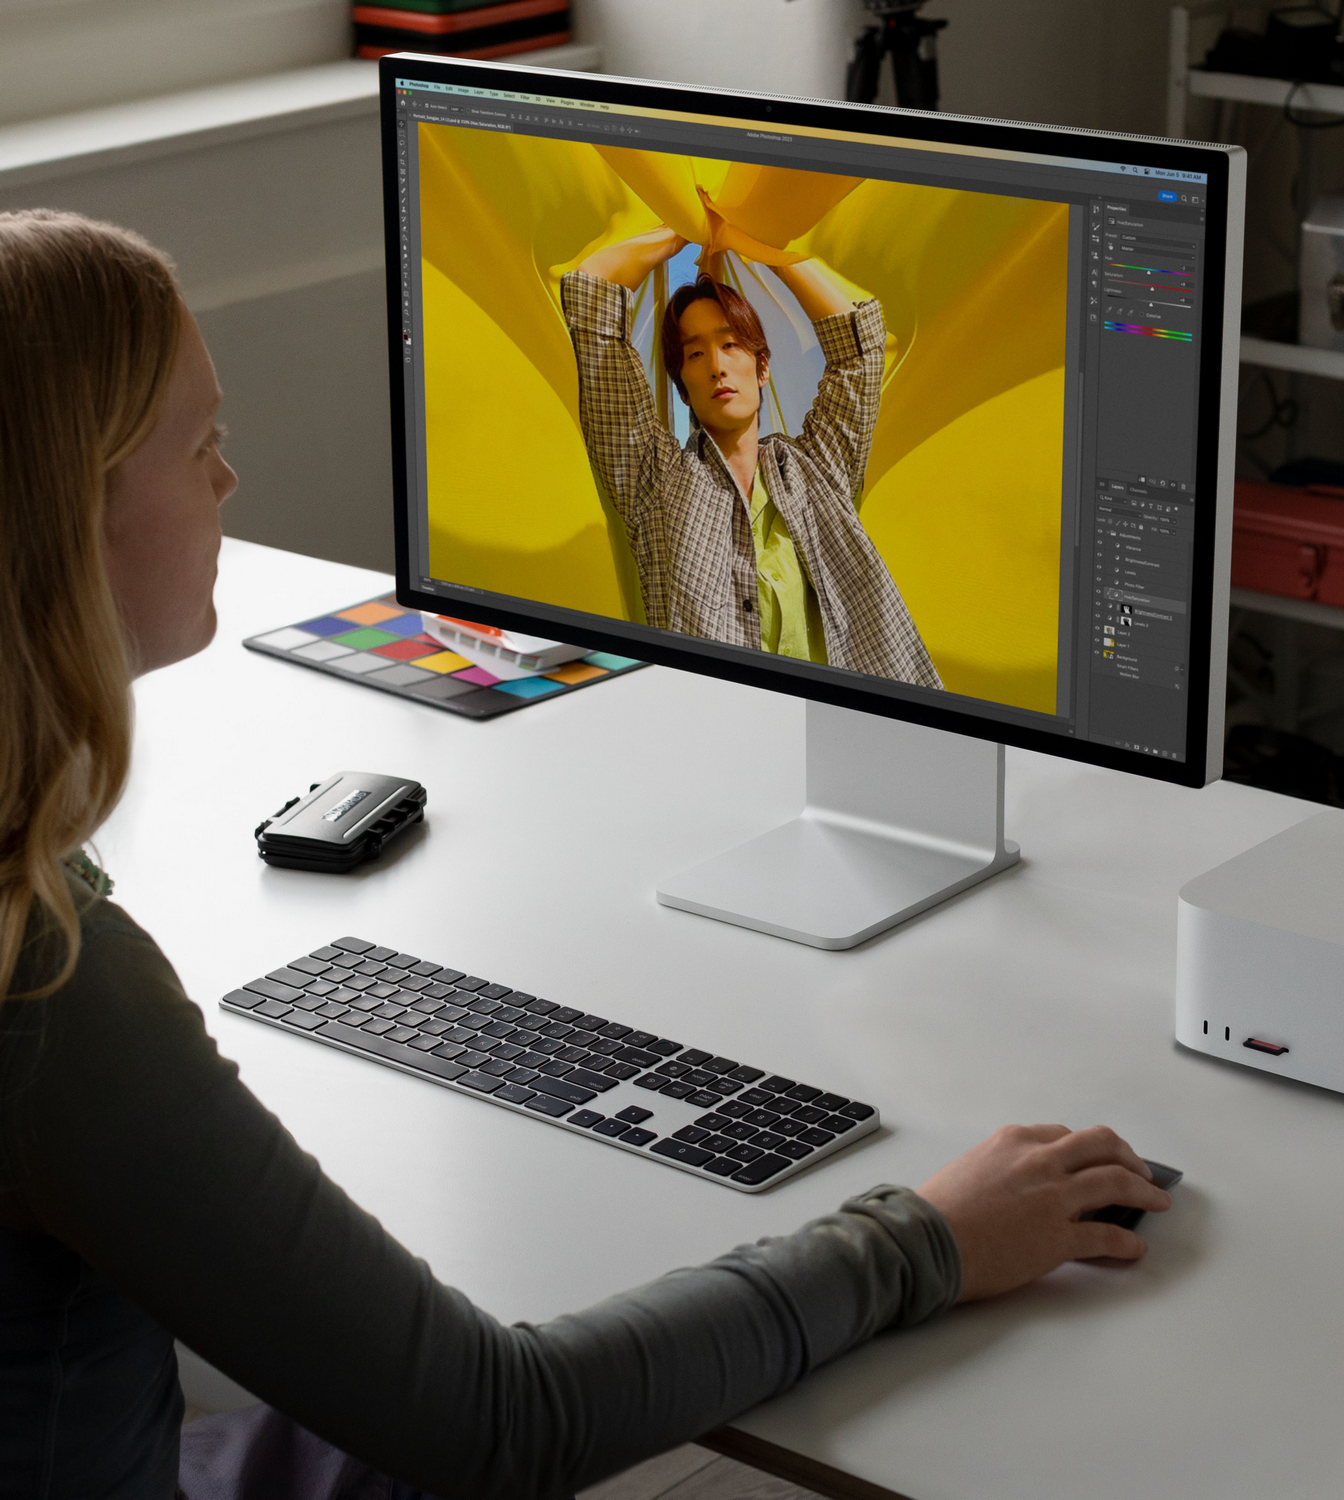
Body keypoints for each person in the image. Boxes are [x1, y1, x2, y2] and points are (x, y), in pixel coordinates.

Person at [0, 209, 1171, 1499]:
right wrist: (925, 1239)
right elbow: (505, 1424)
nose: (230, 483)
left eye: (744, 345)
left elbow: (856, 339)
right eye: (203, 445)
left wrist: (770, 254)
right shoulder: (47, 983)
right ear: (68, 513)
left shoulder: (817, 464)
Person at [561, 228, 942, 689]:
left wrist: (766, 245)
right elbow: (592, 295)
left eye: (731, 344)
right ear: (683, 387)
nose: (716, 366)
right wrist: (685, 228)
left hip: (854, 732)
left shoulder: (818, 467)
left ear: (762, 368)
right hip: (721, 739)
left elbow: (860, 349)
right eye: (695, 353)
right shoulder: (654, 482)